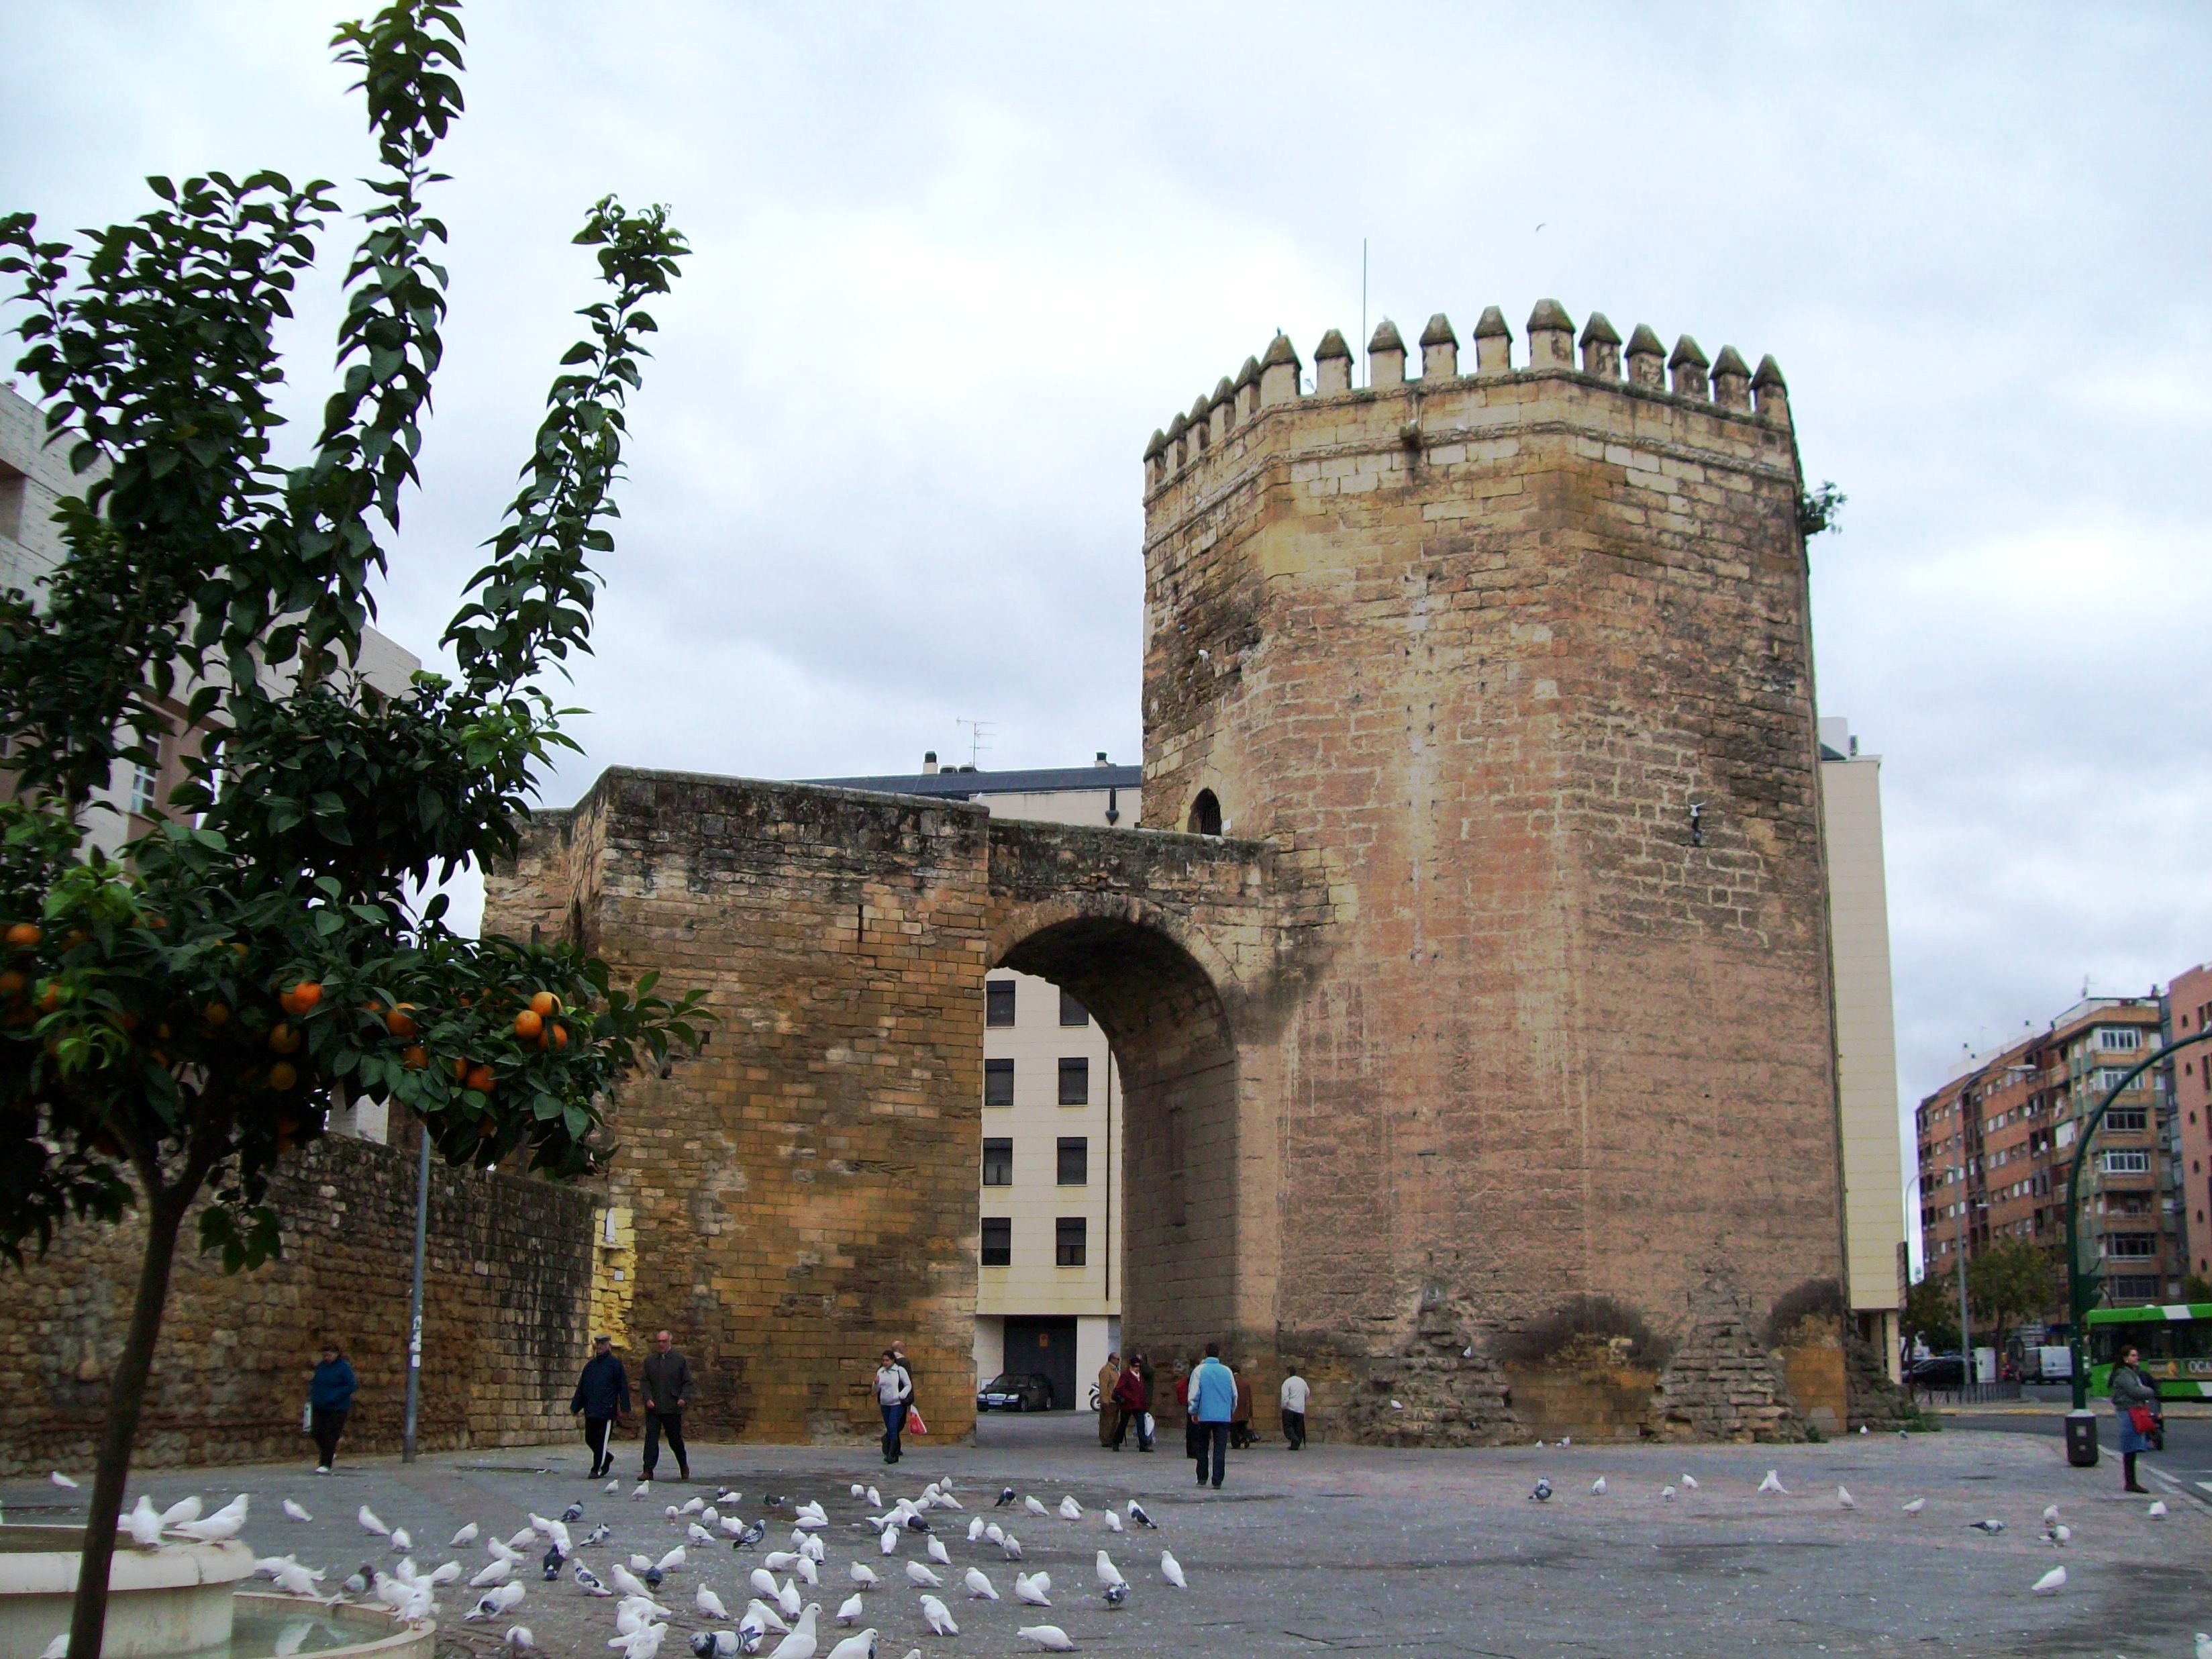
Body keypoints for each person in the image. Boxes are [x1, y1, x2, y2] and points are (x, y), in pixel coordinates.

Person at [569, 1334, 631, 1479]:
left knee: (602, 1441)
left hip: (606, 1410)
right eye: (598, 1344)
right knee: (590, 1439)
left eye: (603, 1344)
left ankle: (596, 1468)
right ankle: (606, 1458)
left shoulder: (615, 1364)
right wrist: (576, 1406)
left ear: (608, 1345)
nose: (600, 1347)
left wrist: (625, 1407)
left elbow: (622, 1386)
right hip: (591, 1410)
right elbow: (582, 1387)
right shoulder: (590, 1366)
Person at [640, 1329, 692, 1482]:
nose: (661, 1344)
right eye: (659, 1341)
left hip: (672, 1407)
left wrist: (683, 1398)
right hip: (654, 1407)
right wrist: (648, 1398)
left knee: (675, 1439)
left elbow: (688, 1382)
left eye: (664, 1341)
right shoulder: (650, 1361)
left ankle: (683, 1464)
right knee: (651, 1437)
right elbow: (645, 1382)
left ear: (670, 1342)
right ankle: (648, 1469)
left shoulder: (679, 1360)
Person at [2110, 1343, 2162, 1493]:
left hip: (2132, 1410)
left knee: (2133, 1447)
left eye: (2136, 1355)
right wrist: (2150, 1391)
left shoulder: (2131, 1372)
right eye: (2133, 1355)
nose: (2136, 1357)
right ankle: (2130, 1482)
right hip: (2128, 1411)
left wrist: (2143, 1390)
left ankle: (2132, 1481)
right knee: (2130, 1447)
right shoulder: (2124, 1374)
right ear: (2126, 1359)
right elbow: (2135, 1392)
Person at [1189, 1342, 1236, 1489]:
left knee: (1202, 1446)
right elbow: (1234, 1394)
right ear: (1218, 1354)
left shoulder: (1199, 1371)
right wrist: (1230, 1411)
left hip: (1205, 1414)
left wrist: (1193, 1411)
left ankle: (1202, 1477)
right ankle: (1217, 1479)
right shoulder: (1227, 1371)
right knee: (1220, 1448)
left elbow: (1195, 1393)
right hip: (1223, 1416)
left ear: (1206, 1353)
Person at [309, 1341, 356, 1474]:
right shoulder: (321, 1367)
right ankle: (329, 1451)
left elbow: (351, 1385)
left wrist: (335, 1395)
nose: (327, 1358)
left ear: (336, 1354)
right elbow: (316, 1383)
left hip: (337, 1407)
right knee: (316, 1432)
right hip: (320, 1405)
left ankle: (325, 1463)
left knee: (331, 1434)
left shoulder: (343, 1367)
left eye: (329, 1355)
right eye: (325, 1355)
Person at [876, 1348, 915, 1464]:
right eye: (883, 1360)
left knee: (893, 1427)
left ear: (893, 1360)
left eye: (887, 1360)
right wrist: (876, 1384)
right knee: (890, 1428)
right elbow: (875, 1390)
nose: (885, 1362)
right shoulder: (881, 1372)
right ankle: (894, 1452)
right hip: (885, 1403)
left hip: (896, 1403)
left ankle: (891, 1454)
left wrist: (901, 1395)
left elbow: (908, 1385)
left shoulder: (900, 1370)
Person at [1110, 1352, 1149, 1452]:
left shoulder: (1140, 1377)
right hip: (1127, 1404)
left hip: (1138, 1404)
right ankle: (1116, 1442)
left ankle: (1143, 1445)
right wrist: (1129, 1396)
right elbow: (1119, 1389)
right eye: (1135, 1366)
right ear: (1131, 1366)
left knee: (1141, 1425)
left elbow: (1142, 1391)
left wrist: (1144, 1404)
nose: (1137, 1368)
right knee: (1123, 1424)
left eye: (1139, 1366)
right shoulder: (1126, 1376)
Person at [1280, 1364, 1309, 1450]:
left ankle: (1294, 1438)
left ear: (1288, 1373)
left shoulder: (1287, 1382)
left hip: (1290, 1408)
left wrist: (1284, 1406)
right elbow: (1308, 1393)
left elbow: (1285, 1396)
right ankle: (1295, 1445)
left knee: (1288, 1426)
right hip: (1300, 1409)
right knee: (1298, 1427)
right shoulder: (1302, 1381)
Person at [1097, 1351, 1123, 1448]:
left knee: (1115, 1422)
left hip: (1116, 1400)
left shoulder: (1115, 1371)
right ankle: (1105, 1440)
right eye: (1117, 1359)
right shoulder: (1106, 1370)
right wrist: (1105, 1401)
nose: (1118, 1361)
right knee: (1107, 1422)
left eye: (1119, 1359)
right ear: (1111, 1359)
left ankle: (1112, 1439)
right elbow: (1103, 1386)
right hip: (1109, 1400)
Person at [1229, 1363, 1256, 1449]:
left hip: (1235, 1408)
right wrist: (1250, 1412)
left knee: (1234, 1427)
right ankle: (1246, 1437)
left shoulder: (1231, 1381)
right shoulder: (1245, 1382)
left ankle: (1236, 1443)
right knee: (1242, 1426)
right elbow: (1250, 1398)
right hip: (1244, 1409)